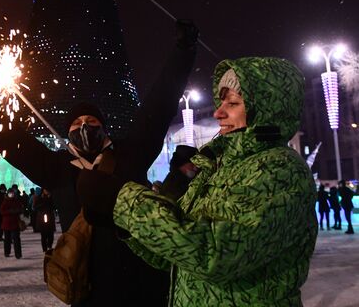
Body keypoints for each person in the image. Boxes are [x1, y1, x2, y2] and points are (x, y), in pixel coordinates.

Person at [0, 21, 198, 306]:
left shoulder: (131, 154)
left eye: (92, 122)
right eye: (77, 123)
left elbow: (159, 104)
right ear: (67, 132)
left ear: (103, 127)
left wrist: (182, 52)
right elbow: (11, 140)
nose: (85, 126)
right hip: (88, 287)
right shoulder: (57, 168)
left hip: (143, 283)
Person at [77, 57, 318, 306]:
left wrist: (124, 201)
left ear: (268, 110)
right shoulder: (217, 166)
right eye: (221, 101)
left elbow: (214, 255)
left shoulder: (280, 170)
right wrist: (126, 226)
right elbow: (178, 255)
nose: (218, 112)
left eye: (233, 103)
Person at [0, 188, 23, 259]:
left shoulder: (16, 201)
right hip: (7, 223)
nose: (11, 194)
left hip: (15, 223)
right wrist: (10, 211)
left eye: (12, 193)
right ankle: (7, 252)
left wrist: (16, 211)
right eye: (10, 193)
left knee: (16, 239)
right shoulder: (5, 201)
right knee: (7, 239)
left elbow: (21, 209)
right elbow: (1, 211)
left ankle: (18, 254)